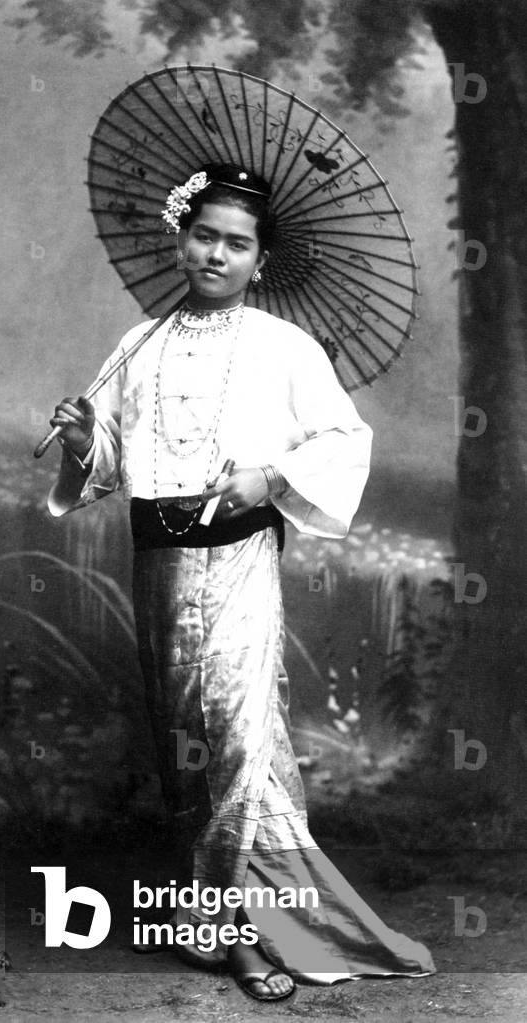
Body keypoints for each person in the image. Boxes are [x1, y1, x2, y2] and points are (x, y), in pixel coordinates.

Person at [46, 163, 435, 1001]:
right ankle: (210, 921)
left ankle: (257, 935)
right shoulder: (136, 344)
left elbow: (341, 439)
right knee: (185, 738)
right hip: (159, 560)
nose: (216, 254)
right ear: (179, 238)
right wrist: (84, 437)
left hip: (238, 557)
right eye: (204, 235)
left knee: (241, 733)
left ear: (261, 261)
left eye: (237, 243)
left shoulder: (283, 347)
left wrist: (267, 478)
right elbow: (113, 466)